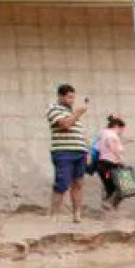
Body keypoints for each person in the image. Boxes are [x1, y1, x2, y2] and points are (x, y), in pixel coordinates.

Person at [47, 84, 89, 222]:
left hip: (79, 152)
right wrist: (77, 113)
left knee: (78, 184)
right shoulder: (54, 109)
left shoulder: (71, 112)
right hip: (63, 152)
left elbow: (79, 133)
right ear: (60, 96)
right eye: (69, 97)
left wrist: (85, 151)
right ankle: (54, 215)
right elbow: (65, 125)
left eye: (73, 97)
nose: (72, 100)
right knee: (62, 183)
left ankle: (77, 215)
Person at [95, 115, 126, 209]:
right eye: (121, 130)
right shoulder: (111, 135)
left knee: (110, 189)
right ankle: (109, 205)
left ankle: (108, 208)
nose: (121, 132)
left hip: (102, 164)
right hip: (110, 164)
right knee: (121, 189)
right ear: (117, 126)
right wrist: (120, 159)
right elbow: (113, 148)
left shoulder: (103, 133)